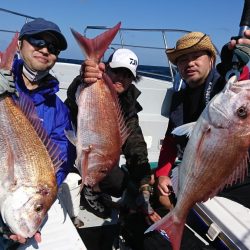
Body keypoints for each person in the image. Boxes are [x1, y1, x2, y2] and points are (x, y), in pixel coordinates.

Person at [146, 31, 250, 249]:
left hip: (234, 180)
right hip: (199, 174)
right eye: (182, 59)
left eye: (196, 56)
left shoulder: (226, 84)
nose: (188, 63)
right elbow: (171, 140)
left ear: (212, 59)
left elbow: (240, 85)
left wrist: (239, 60)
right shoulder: (179, 98)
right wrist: (164, 174)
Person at [64, 48, 161, 248]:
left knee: (120, 183)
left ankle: (91, 189)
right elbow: (73, 97)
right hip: (69, 147)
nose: (121, 78)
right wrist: (83, 79)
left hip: (93, 157)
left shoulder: (127, 105)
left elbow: (135, 143)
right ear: (106, 69)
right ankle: (87, 184)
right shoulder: (91, 84)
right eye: (117, 71)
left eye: (128, 75)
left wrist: (144, 182)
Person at [0, 18, 75, 248]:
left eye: (53, 48)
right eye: (38, 41)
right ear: (20, 44)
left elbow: (62, 161)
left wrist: (43, 200)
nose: (45, 49)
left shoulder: (59, 110)